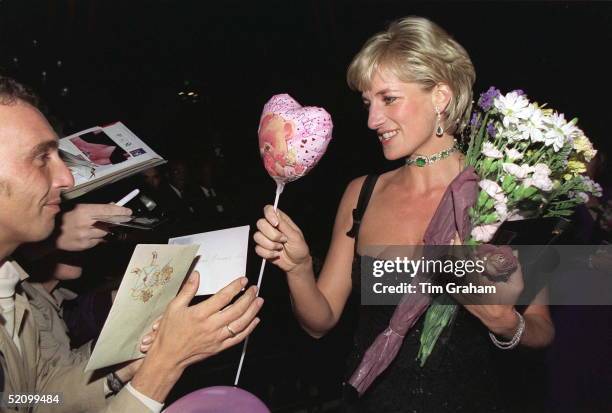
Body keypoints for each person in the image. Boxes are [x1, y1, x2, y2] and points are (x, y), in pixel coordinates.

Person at [254, 16, 554, 412]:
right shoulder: (361, 193)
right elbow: (319, 322)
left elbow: (541, 328)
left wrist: (505, 323)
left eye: (388, 99)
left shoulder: (505, 193)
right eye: (367, 103)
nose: (372, 120)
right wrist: (299, 269)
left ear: (440, 97)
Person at [0, 75, 263, 412]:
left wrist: (136, 362)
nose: (66, 179)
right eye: (41, 158)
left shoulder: (11, 289)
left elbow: (34, 397)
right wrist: (164, 366)